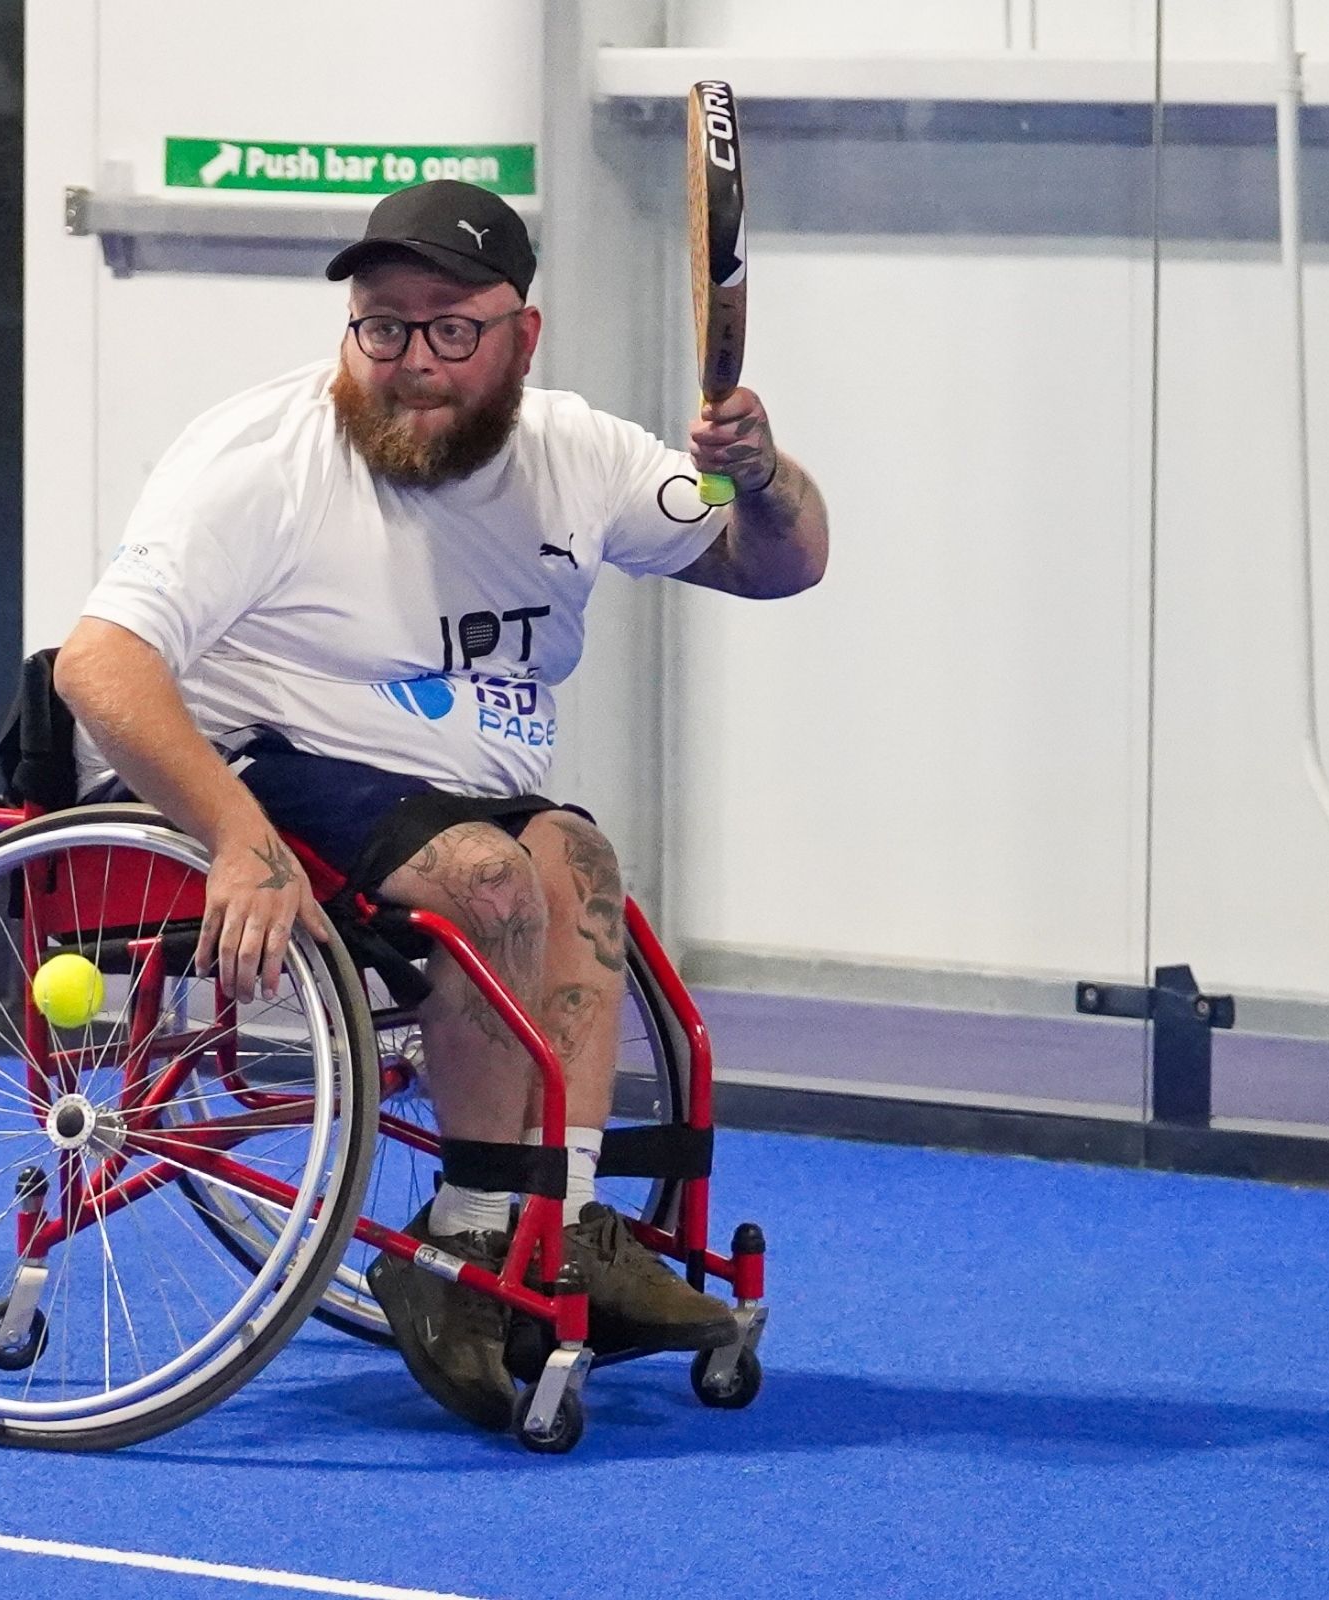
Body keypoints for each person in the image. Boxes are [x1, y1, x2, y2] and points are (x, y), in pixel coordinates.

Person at [54, 179, 828, 1431]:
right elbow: (99, 666)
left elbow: (778, 564)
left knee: (574, 858)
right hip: (265, 758)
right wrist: (238, 843)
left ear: (525, 337)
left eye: (450, 330)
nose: (411, 361)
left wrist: (764, 475)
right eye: (382, 325)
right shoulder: (263, 458)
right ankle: (463, 1247)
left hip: (452, 789)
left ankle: (563, 1224)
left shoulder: (578, 454)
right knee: (489, 874)